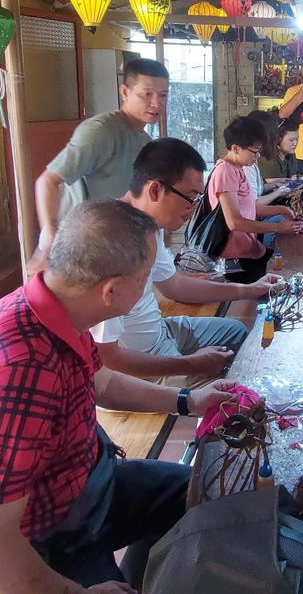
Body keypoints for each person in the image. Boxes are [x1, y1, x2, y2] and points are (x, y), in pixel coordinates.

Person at [0, 199, 235, 592]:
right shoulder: (21, 369)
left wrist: (188, 401)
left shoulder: (60, 312)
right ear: (111, 289)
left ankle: (146, 574)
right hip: (53, 537)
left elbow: (103, 384)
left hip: (93, 483)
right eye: (144, 278)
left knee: (206, 493)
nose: (148, 286)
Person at [92, 138, 284, 384]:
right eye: (191, 198)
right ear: (155, 190)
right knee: (232, 390)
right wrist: (189, 363)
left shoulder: (149, 226)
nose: (194, 208)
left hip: (162, 331)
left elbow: (174, 286)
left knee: (236, 332)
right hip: (139, 370)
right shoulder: (113, 245)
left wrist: (249, 289)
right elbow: (106, 356)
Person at [29, 58, 169, 275]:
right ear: (125, 92)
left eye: (163, 95)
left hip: (108, 245)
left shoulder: (144, 142)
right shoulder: (101, 130)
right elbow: (48, 180)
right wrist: (49, 237)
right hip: (77, 246)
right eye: (147, 94)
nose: (156, 103)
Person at [207, 116, 301, 284]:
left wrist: (280, 210)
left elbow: (249, 208)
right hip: (235, 254)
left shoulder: (238, 168)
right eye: (254, 152)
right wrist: (277, 227)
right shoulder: (225, 172)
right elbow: (235, 222)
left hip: (247, 247)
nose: (258, 156)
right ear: (235, 148)